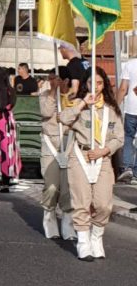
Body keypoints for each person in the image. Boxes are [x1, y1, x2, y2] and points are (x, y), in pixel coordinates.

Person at [61, 67, 123, 261]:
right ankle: (83, 242)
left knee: (103, 204)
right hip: (80, 156)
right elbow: (63, 119)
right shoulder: (78, 104)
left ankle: (96, 236)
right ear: (85, 84)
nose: (95, 87)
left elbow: (119, 137)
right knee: (81, 200)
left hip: (102, 158)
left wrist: (104, 151)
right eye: (91, 83)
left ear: (104, 85)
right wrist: (82, 104)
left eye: (99, 83)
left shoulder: (111, 109)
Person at [38, 69, 75, 240]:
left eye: (55, 78)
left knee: (68, 187)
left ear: (65, 80)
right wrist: (53, 91)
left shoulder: (74, 98)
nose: (51, 81)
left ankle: (68, 222)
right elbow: (46, 112)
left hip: (69, 144)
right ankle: (49, 215)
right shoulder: (45, 95)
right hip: (50, 144)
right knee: (51, 185)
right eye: (50, 78)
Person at [116, 36, 137, 184]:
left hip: (131, 108)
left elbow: (123, 88)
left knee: (128, 138)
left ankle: (127, 168)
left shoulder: (129, 65)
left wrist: (116, 106)